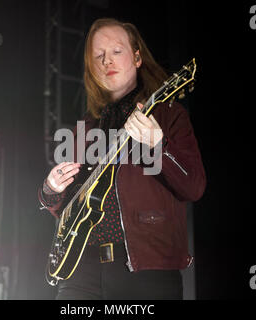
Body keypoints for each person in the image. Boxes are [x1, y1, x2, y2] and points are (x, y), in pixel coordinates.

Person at [38, 18, 206, 300]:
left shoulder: (168, 115)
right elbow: (72, 209)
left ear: (137, 57)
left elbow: (194, 186)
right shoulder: (86, 128)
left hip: (145, 271)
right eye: (98, 56)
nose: (107, 61)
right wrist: (51, 190)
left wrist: (159, 145)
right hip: (81, 271)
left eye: (116, 51)